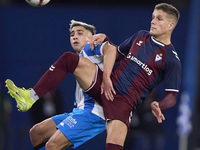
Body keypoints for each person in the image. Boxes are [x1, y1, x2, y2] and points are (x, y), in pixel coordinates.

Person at [6, 3, 181, 150]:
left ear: (170, 25)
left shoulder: (172, 59)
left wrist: (161, 104)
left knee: (111, 146)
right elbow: (117, 53)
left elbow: (172, 96)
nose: (153, 21)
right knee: (69, 59)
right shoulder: (141, 35)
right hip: (108, 86)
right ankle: (31, 96)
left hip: (124, 102)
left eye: (159, 18)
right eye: (153, 16)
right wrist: (106, 40)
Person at [5, 20, 114, 150]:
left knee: (52, 146)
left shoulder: (92, 48)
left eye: (80, 33)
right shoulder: (81, 60)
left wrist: (105, 42)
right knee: (36, 132)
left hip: (95, 113)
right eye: (72, 34)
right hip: (80, 111)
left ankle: (30, 96)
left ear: (92, 37)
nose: (74, 36)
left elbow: (112, 50)